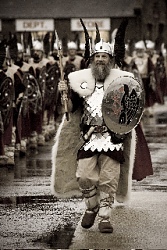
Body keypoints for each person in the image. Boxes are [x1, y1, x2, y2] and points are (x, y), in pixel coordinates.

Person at [51, 20, 153, 233]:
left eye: (103, 56)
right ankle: (92, 206)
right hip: (88, 138)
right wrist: (63, 93)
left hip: (113, 139)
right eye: (97, 56)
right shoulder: (81, 84)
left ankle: (105, 217)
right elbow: (70, 110)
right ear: (91, 60)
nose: (100, 60)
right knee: (84, 175)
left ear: (110, 60)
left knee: (109, 178)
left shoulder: (122, 82)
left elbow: (132, 109)